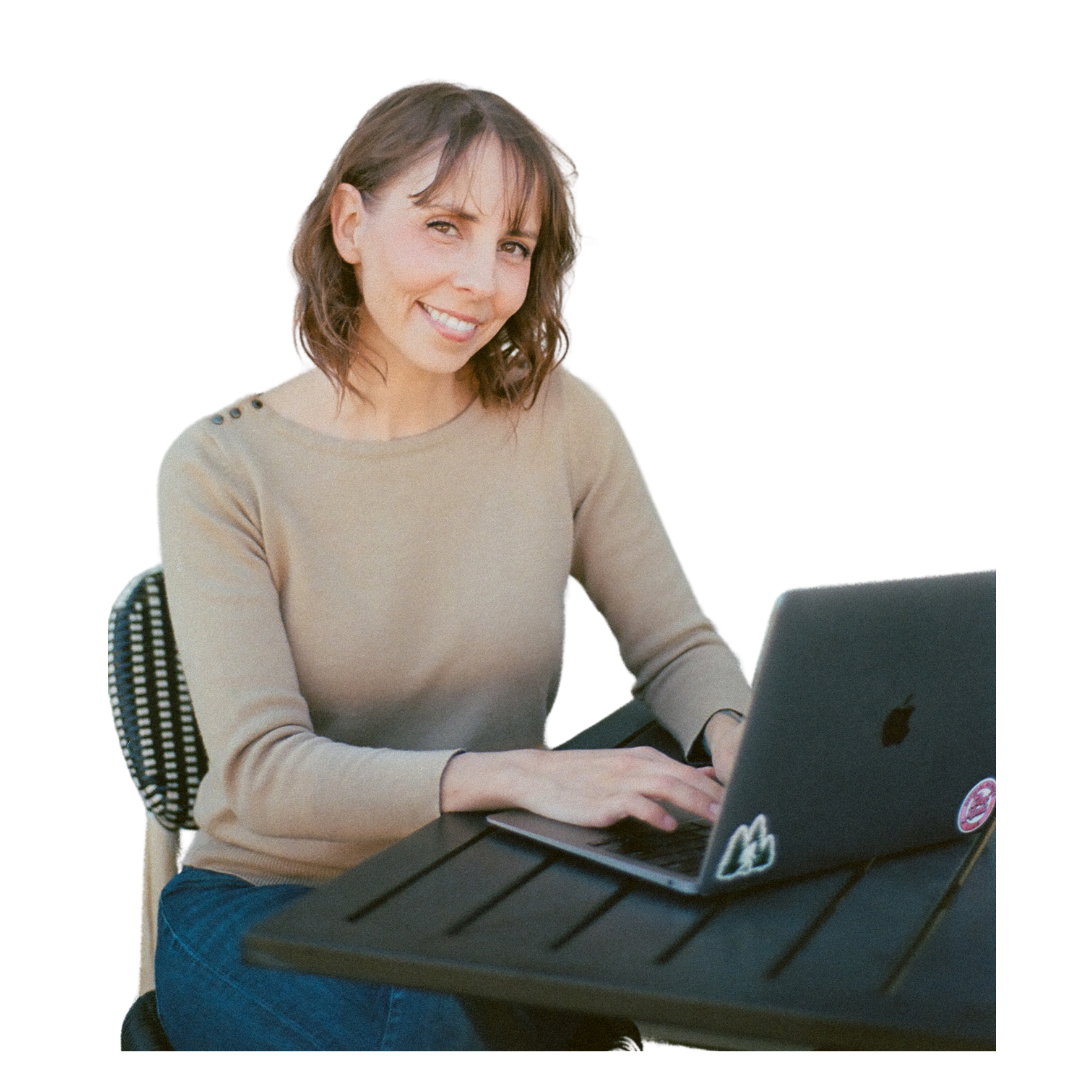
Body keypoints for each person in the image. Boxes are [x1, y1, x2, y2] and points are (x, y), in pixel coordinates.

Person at [153, 77, 751, 1052]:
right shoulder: (220, 467)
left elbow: (677, 646)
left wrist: (742, 742)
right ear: (351, 224)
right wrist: (528, 777)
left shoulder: (565, 418)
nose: (483, 279)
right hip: (268, 900)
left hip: (489, 882)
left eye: (514, 245)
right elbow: (264, 774)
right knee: (437, 1029)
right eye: (445, 226)